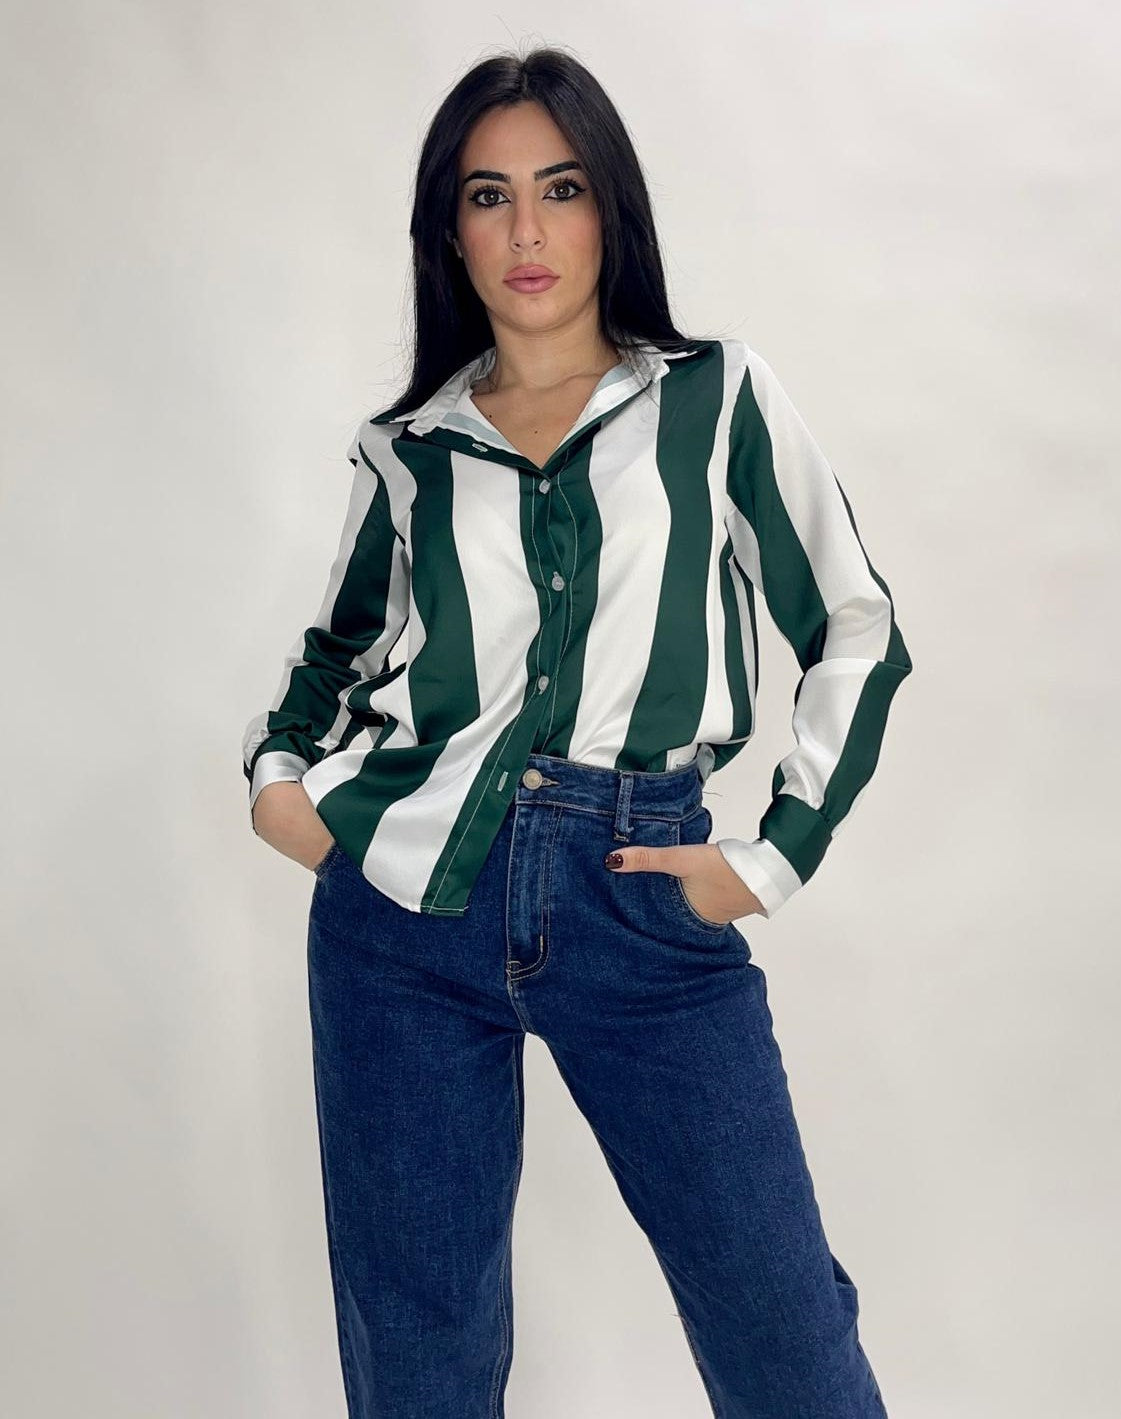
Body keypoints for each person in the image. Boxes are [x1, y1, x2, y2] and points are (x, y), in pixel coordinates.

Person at [242, 45, 911, 1419]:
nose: (527, 232)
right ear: (449, 231)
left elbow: (857, 623)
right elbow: (336, 656)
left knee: (780, 1327)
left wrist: (770, 858)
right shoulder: (410, 449)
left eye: (561, 188)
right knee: (418, 1354)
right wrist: (279, 784)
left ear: (612, 207)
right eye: (488, 197)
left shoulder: (715, 399)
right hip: (403, 923)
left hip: (642, 896)